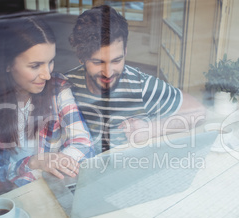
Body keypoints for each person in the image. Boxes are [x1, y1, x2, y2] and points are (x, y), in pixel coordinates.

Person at [0, 17, 93, 214]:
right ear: (7, 64)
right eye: (35, 66)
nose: (47, 74)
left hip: (48, 183)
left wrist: (56, 163)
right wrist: (33, 163)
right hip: (1, 197)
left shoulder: (58, 87)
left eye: (50, 62)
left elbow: (83, 142)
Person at [66, 5, 206, 154]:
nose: (108, 73)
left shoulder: (141, 86)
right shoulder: (67, 85)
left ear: (125, 51)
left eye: (116, 60)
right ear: (81, 58)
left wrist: (150, 129)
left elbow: (198, 112)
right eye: (98, 62)